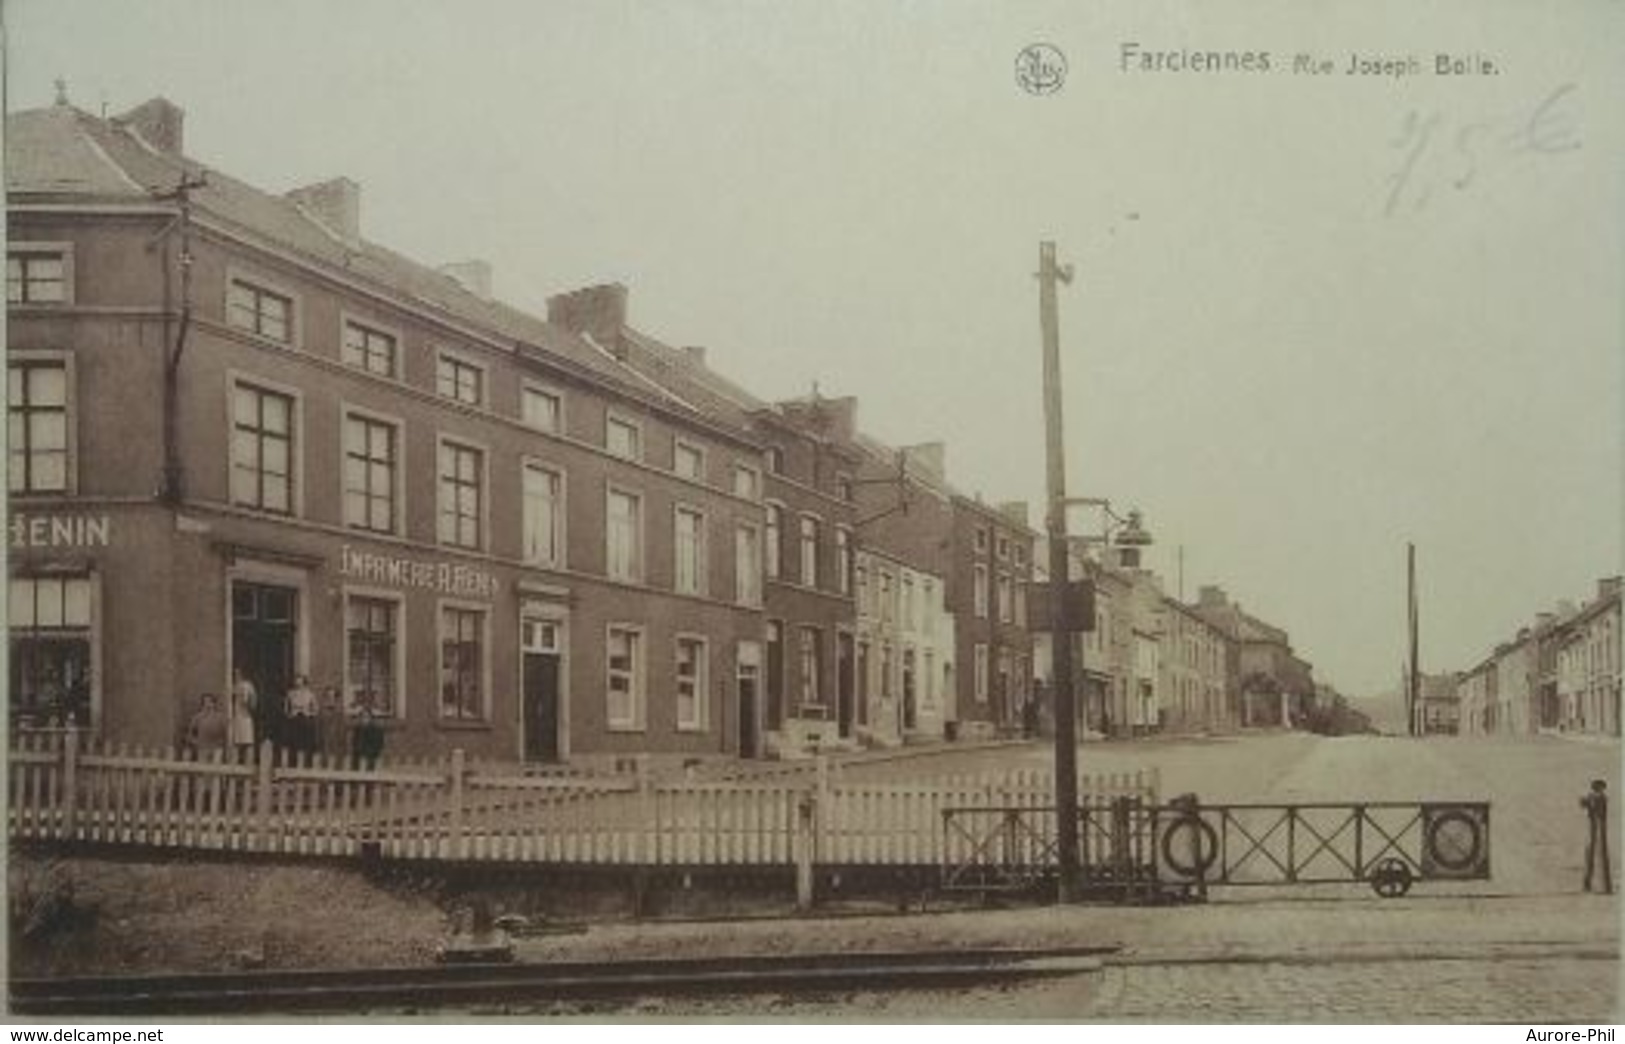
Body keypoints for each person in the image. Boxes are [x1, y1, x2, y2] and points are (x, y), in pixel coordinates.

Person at [1582, 779, 1612, 894]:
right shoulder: (1597, 797)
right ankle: (1597, 885)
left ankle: (1594, 885)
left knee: (1594, 854)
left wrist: (1589, 804)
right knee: (1594, 854)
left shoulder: (1599, 797)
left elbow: (1596, 810)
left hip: (1596, 827)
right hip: (1595, 827)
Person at [285, 674, 319, 757]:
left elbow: (316, 707)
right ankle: (293, 760)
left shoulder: (309, 694)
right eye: (297, 684)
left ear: (304, 683)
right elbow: (286, 707)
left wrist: (310, 714)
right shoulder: (291, 694)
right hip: (294, 718)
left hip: (305, 719)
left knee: (305, 741)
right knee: (294, 741)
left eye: (300, 683)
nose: (299, 685)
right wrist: (289, 715)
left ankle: (305, 760)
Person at [229, 668, 258, 760]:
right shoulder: (234, 686)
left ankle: (249, 761)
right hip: (236, 714)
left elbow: (253, 698)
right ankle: (235, 761)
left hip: (245, 714)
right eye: (235, 674)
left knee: (248, 739)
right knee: (236, 740)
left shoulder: (248, 685)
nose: (237, 676)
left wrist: (249, 707)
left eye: (238, 673)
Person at [317, 686, 348, 762]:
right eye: (328, 695)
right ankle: (324, 762)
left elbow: (342, 719)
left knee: (338, 745)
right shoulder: (323, 707)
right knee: (325, 745)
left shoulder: (339, 707)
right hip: (326, 729)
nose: (331, 697)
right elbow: (320, 719)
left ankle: (339, 763)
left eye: (332, 695)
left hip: (337, 729)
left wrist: (342, 730)